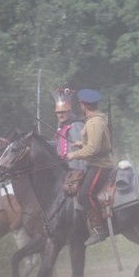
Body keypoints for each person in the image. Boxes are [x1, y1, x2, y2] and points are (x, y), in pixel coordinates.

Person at [65, 89, 114, 246]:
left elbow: (93, 150)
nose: (80, 105)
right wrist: (82, 143)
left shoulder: (93, 123)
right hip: (96, 163)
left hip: (100, 165)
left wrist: (74, 155)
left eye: (80, 103)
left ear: (84, 105)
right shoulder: (96, 120)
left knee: (85, 194)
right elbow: (96, 143)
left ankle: (98, 230)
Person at [52, 88, 87, 196]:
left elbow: (82, 151)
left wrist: (81, 173)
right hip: (64, 170)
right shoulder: (61, 127)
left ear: (69, 111)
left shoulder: (76, 125)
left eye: (63, 112)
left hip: (76, 171)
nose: (60, 115)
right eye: (58, 113)